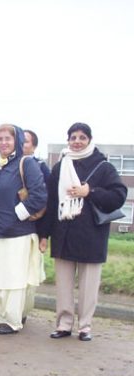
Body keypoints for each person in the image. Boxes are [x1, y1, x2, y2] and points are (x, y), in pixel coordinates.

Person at [39, 123, 127, 341]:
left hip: (92, 235)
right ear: (68, 140)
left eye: (82, 137)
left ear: (89, 140)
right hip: (64, 233)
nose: (77, 141)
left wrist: (91, 191)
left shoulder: (103, 167)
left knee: (89, 285)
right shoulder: (60, 167)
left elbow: (119, 195)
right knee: (63, 284)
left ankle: (85, 326)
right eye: (73, 137)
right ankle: (64, 324)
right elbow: (51, 202)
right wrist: (44, 234)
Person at [0, 124, 47, 334]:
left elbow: (39, 195)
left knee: (11, 278)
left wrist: (17, 214)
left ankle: (11, 319)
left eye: (8, 138)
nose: (3, 143)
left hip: (17, 232)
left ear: (15, 141)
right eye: (0, 139)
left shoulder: (27, 164)